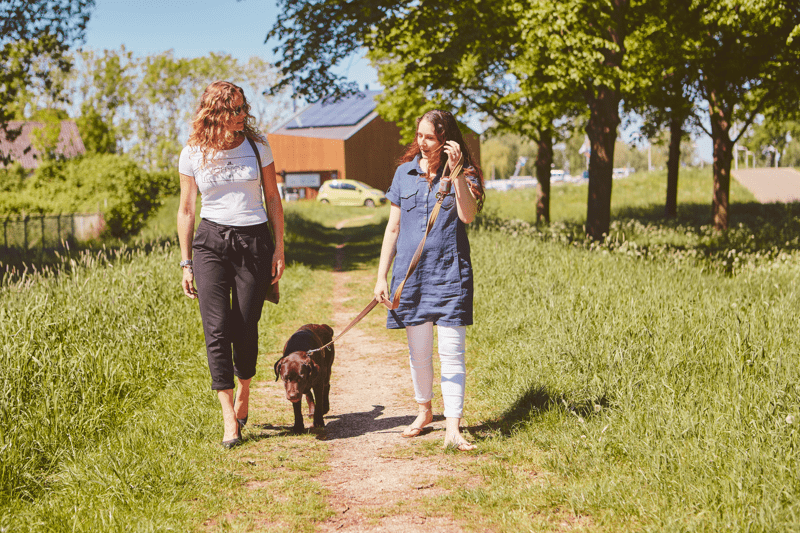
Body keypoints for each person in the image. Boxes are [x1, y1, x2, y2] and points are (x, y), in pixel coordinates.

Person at [177, 81, 285, 449]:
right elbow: (187, 209)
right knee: (216, 328)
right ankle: (228, 416)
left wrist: (279, 247)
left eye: (243, 108)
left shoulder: (257, 145)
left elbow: (273, 198)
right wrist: (186, 262)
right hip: (210, 243)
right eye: (234, 110)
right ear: (216, 112)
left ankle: (245, 387)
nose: (242, 115)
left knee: (245, 323)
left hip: (254, 240)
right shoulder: (192, 152)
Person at [374, 110, 484, 451]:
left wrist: (456, 171)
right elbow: (393, 228)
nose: (422, 142)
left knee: (452, 353)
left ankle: (453, 427)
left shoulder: (466, 173)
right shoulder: (404, 173)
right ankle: (424, 412)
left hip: (450, 273)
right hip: (411, 277)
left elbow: (467, 215)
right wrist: (381, 276)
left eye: (430, 137)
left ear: (446, 140)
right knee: (419, 353)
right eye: (419, 135)